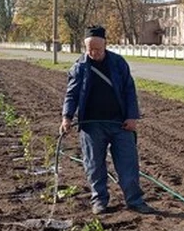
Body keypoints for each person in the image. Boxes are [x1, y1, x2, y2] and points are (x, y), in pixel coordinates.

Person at [60, 25, 155, 215]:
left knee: (128, 163)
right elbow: (72, 94)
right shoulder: (79, 67)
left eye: (98, 49)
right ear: (85, 48)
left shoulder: (118, 64)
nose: (94, 53)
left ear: (106, 45)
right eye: (90, 50)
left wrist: (131, 117)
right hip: (91, 125)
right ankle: (99, 200)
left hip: (120, 123)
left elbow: (129, 91)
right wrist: (66, 117)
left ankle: (135, 200)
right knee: (94, 164)